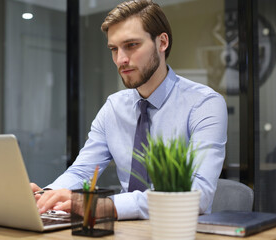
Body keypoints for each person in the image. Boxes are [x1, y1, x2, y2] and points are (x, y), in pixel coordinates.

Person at [31, 0, 227, 220]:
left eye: (131, 45)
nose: (120, 59)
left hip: (179, 228)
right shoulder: (113, 107)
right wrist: (46, 196)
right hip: (124, 229)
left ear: (162, 42)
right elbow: (82, 171)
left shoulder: (204, 104)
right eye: (114, 49)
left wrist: (105, 206)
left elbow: (196, 194)